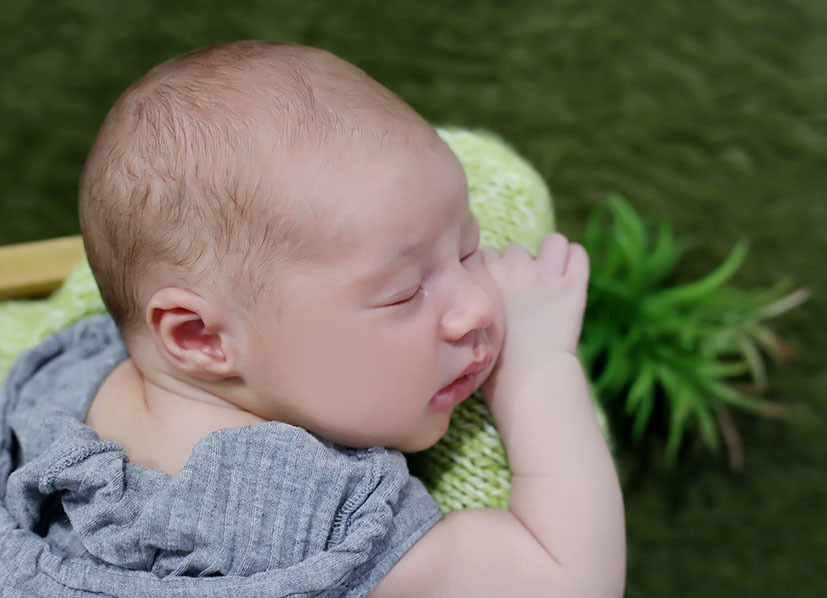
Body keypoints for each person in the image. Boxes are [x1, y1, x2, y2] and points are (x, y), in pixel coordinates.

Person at [0, 41, 625, 596]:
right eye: (405, 294)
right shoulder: (301, 515)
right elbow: (567, 579)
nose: (480, 307)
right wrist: (539, 366)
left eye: (468, 250)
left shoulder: (65, 375)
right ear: (200, 337)